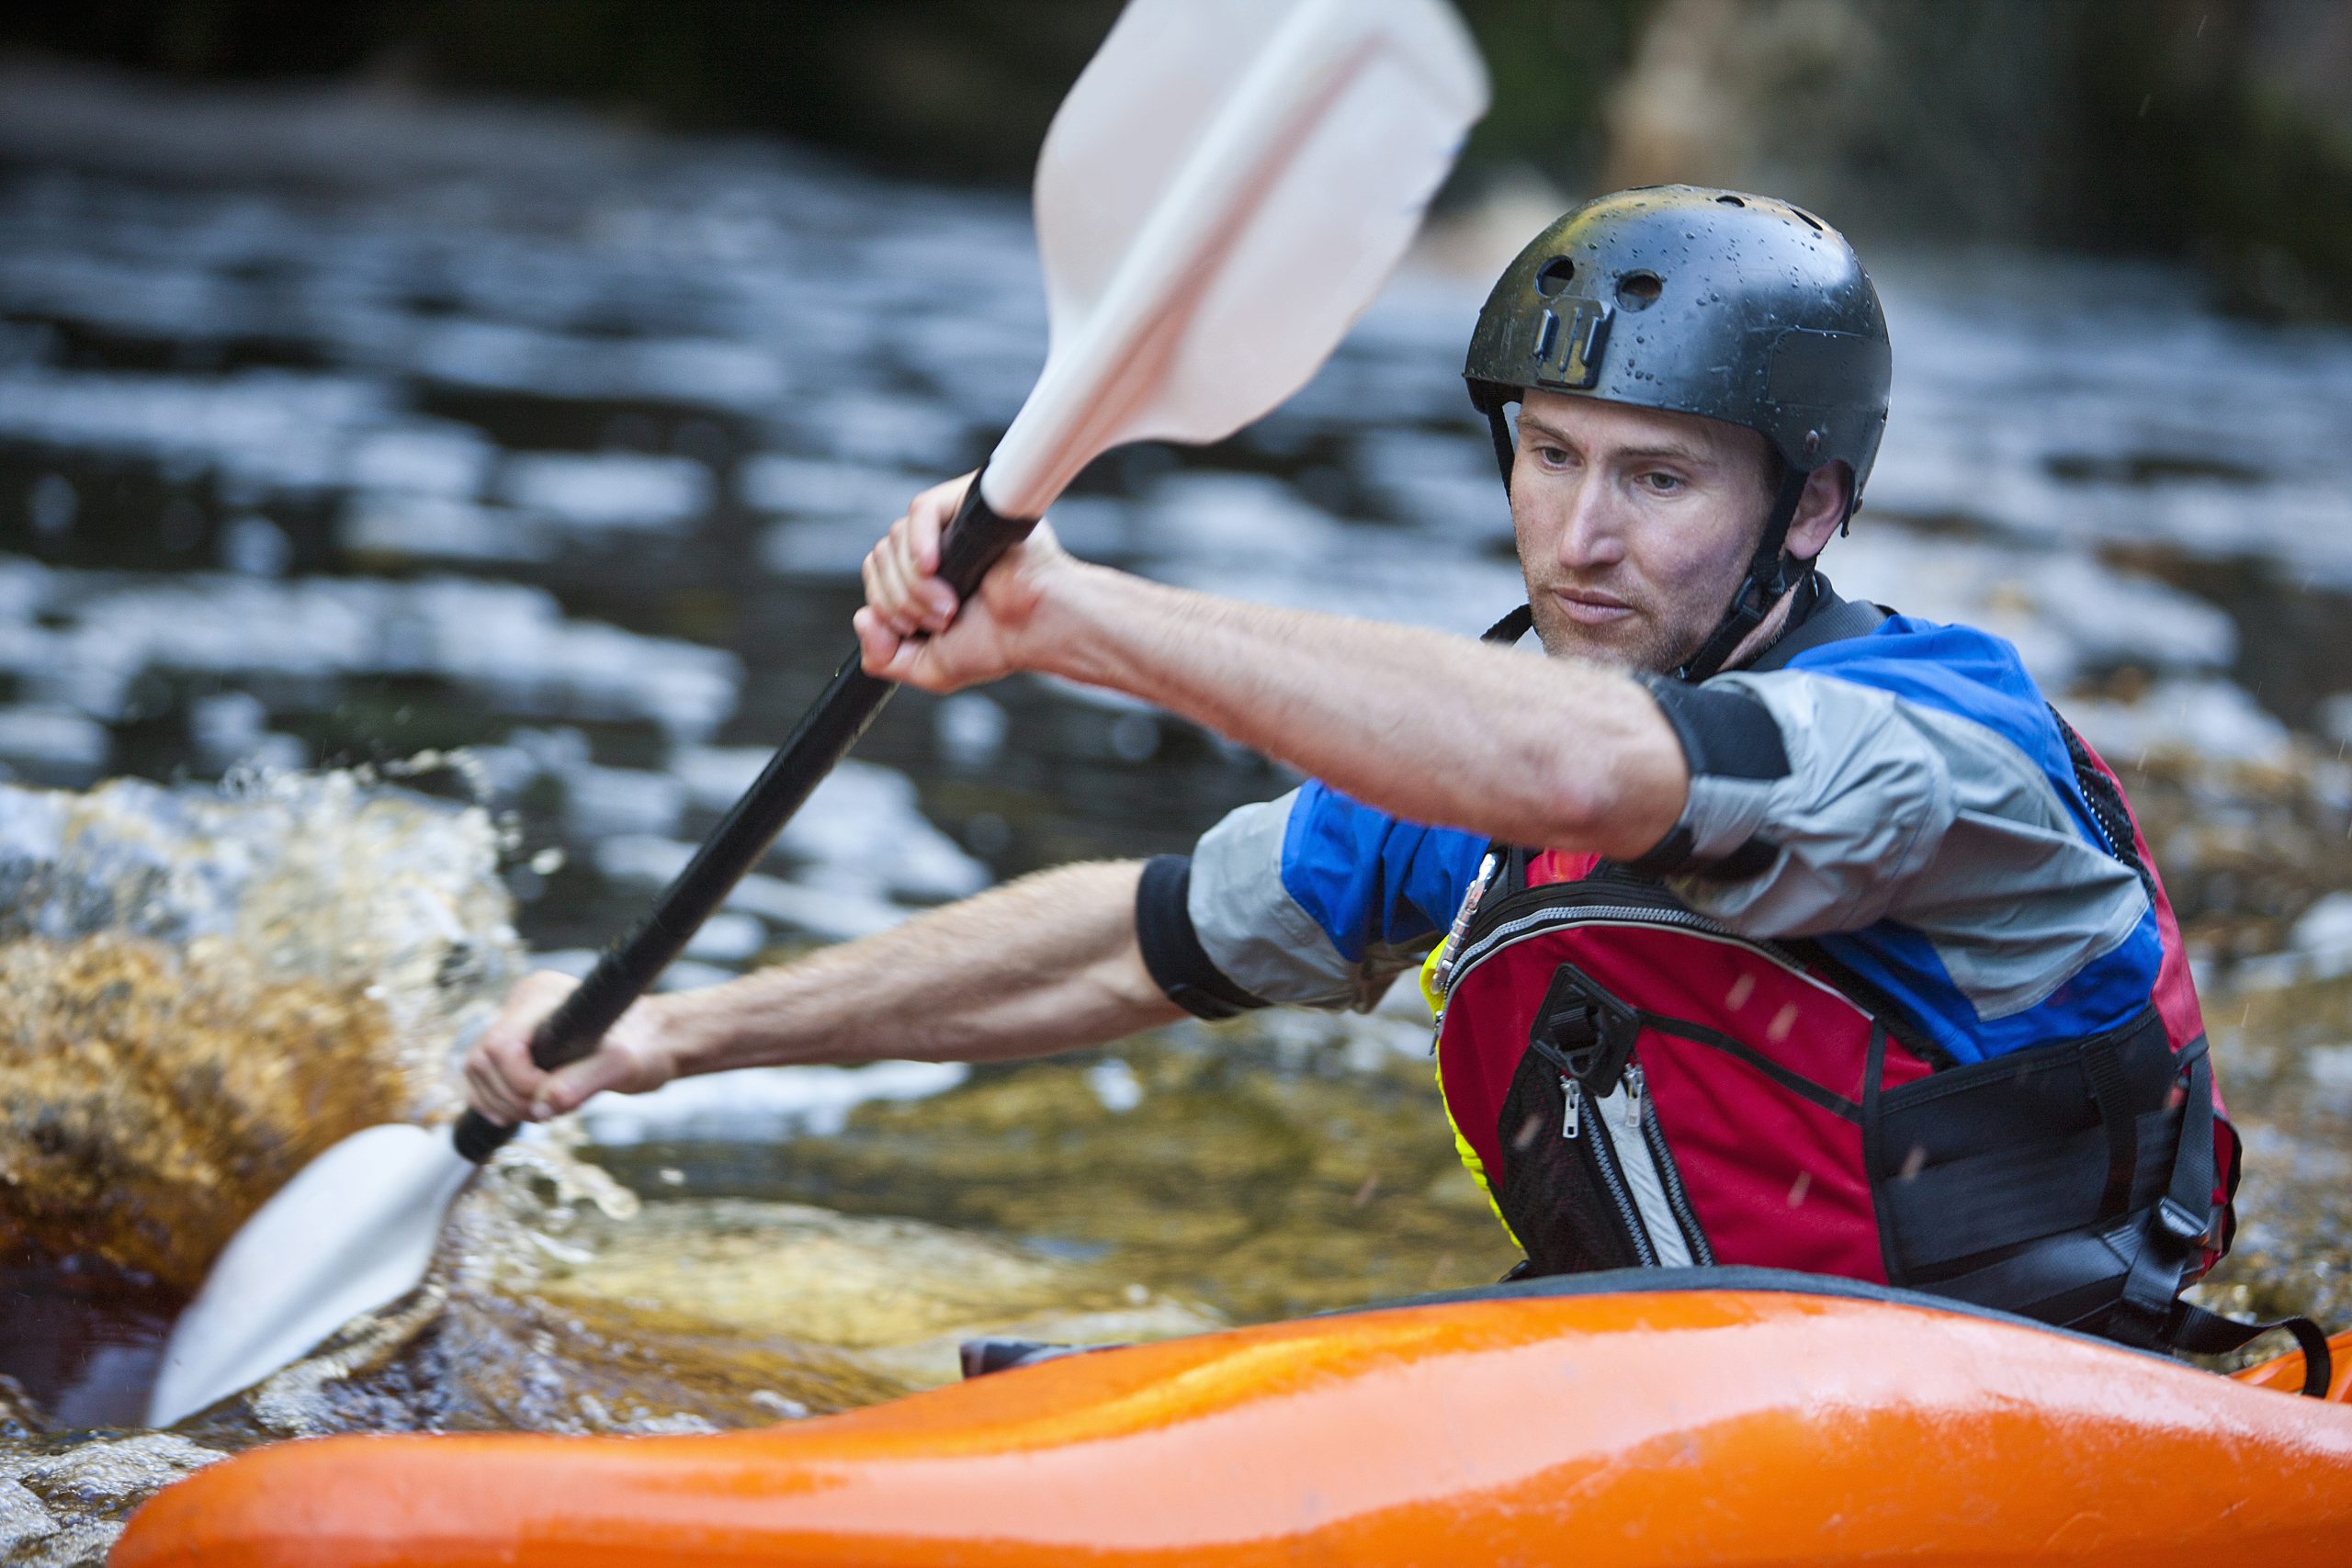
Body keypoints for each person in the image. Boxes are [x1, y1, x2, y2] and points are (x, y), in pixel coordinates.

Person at [464, 186, 2303, 1369]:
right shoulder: (1467, 754)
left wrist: (1069, 615)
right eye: (1548, 455)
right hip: (1677, 1389)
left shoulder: (1931, 741)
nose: (1576, 537)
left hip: (2055, 1390)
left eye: (1655, 478)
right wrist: (670, 1036)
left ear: (1806, 508)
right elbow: (1130, 942)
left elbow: (1597, 766)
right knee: (1013, 1363)